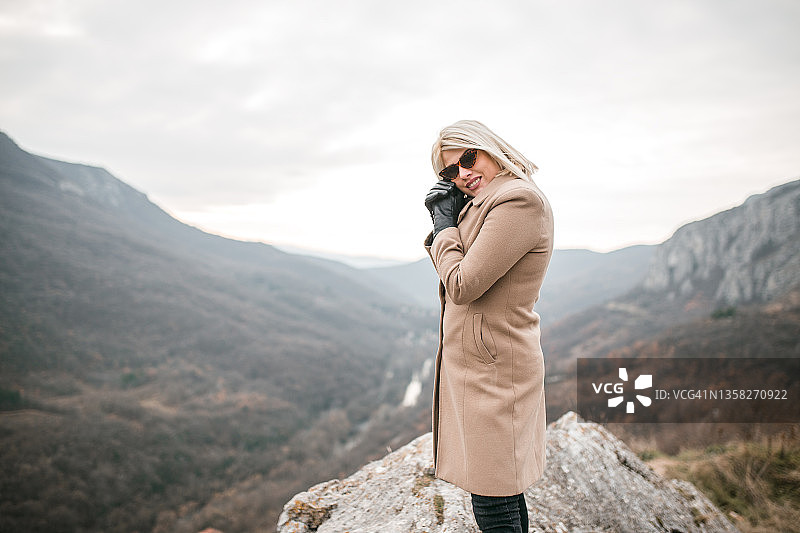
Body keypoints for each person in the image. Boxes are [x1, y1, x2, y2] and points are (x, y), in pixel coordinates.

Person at [423, 120, 554, 533]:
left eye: (468, 158)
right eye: (450, 171)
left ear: (489, 147)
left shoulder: (518, 200)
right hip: (483, 364)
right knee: (501, 488)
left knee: (492, 496)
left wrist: (443, 227)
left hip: (496, 368)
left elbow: (462, 284)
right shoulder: (484, 202)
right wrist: (450, 218)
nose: (463, 173)